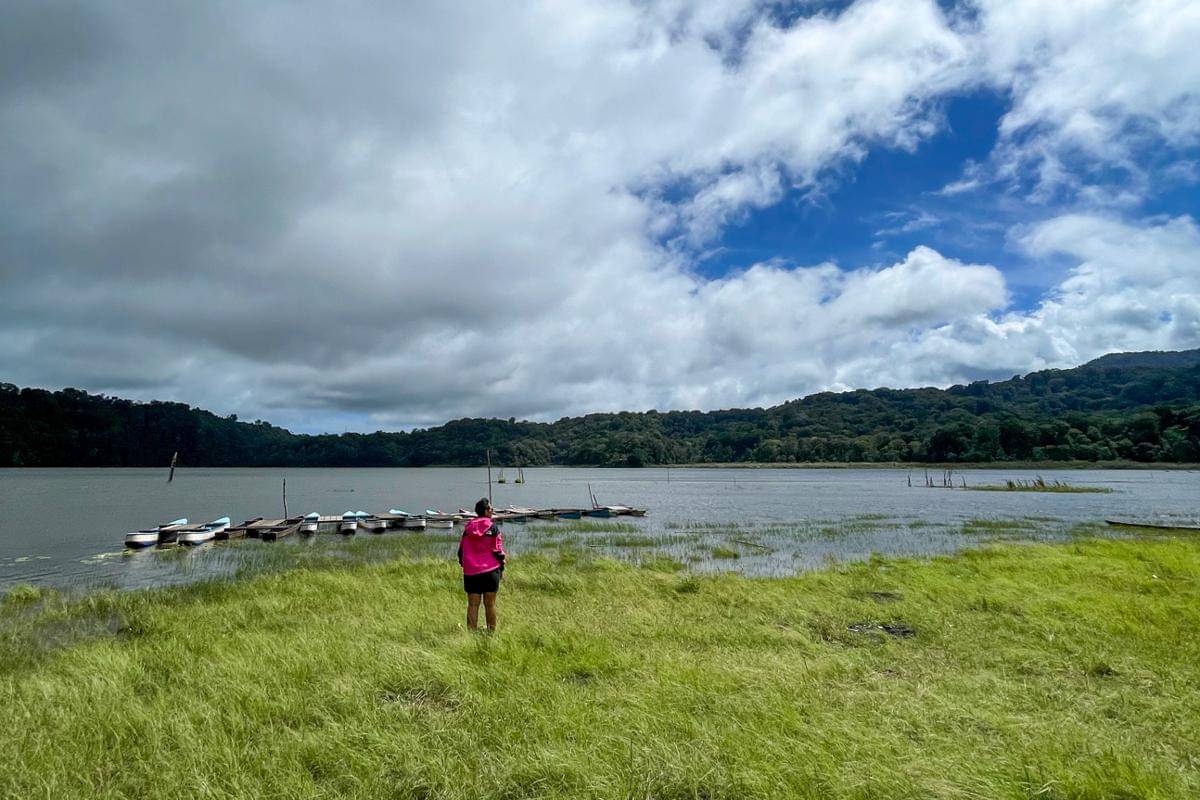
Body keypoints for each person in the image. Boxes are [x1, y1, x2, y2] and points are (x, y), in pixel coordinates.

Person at [458, 497, 506, 631]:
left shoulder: (468, 529)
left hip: (471, 572)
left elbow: (461, 551)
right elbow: (498, 550)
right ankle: (491, 633)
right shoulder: (493, 527)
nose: (492, 510)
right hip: (491, 571)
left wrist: (466, 565)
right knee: (490, 605)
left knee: (473, 604)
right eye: (491, 508)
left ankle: (471, 634)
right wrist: (501, 568)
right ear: (485, 511)